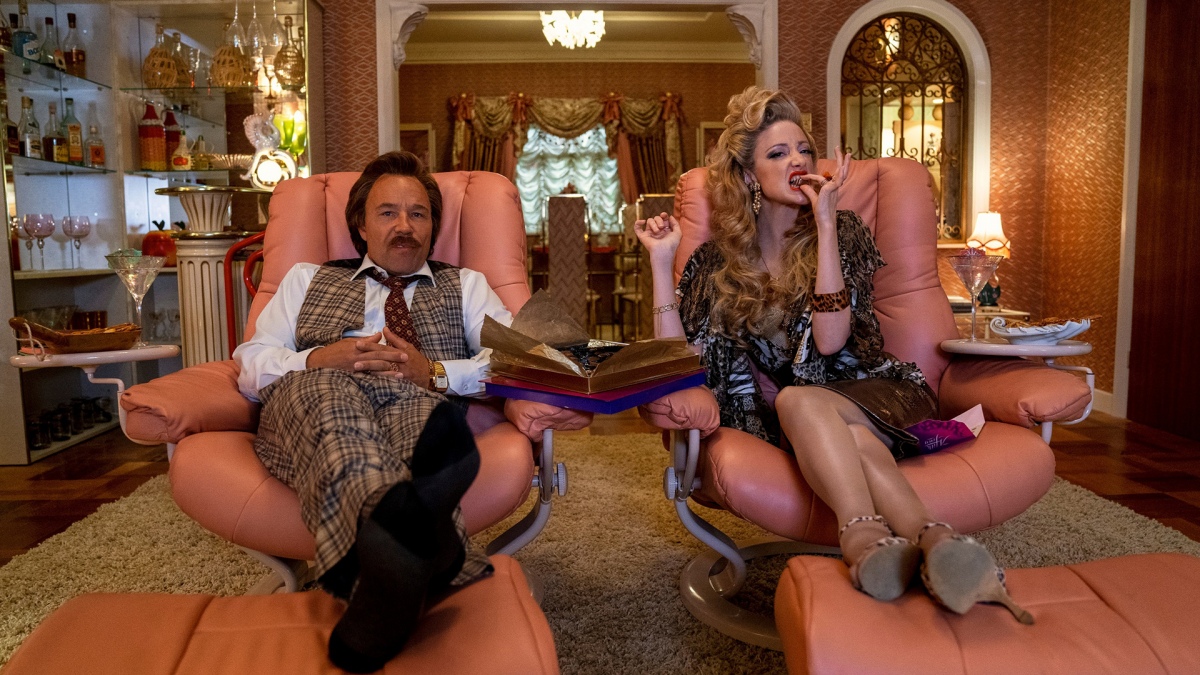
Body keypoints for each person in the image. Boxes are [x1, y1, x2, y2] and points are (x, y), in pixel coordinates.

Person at [635, 87, 1031, 623]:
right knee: (845, 435)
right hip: (810, 426)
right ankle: (936, 542)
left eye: (804, 149)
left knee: (799, 400)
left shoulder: (842, 231)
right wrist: (662, 264)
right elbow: (677, 357)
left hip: (880, 393)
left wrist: (824, 222)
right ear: (748, 175)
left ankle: (860, 537)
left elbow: (829, 340)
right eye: (778, 153)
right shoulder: (714, 261)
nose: (797, 160)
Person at [233, 150, 515, 671]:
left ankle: (385, 588)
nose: (405, 226)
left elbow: (514, 360)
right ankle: (431, 546)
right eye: (388, 213)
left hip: (413, 396)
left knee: (425, 423)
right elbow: (250, 364)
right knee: (330, 400)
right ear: (361, 225)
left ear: (433, 227)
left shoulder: (468, 285)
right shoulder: (305, 278)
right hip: (311, 398)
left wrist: (434, 373)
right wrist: (317, 358)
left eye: (418, 214)